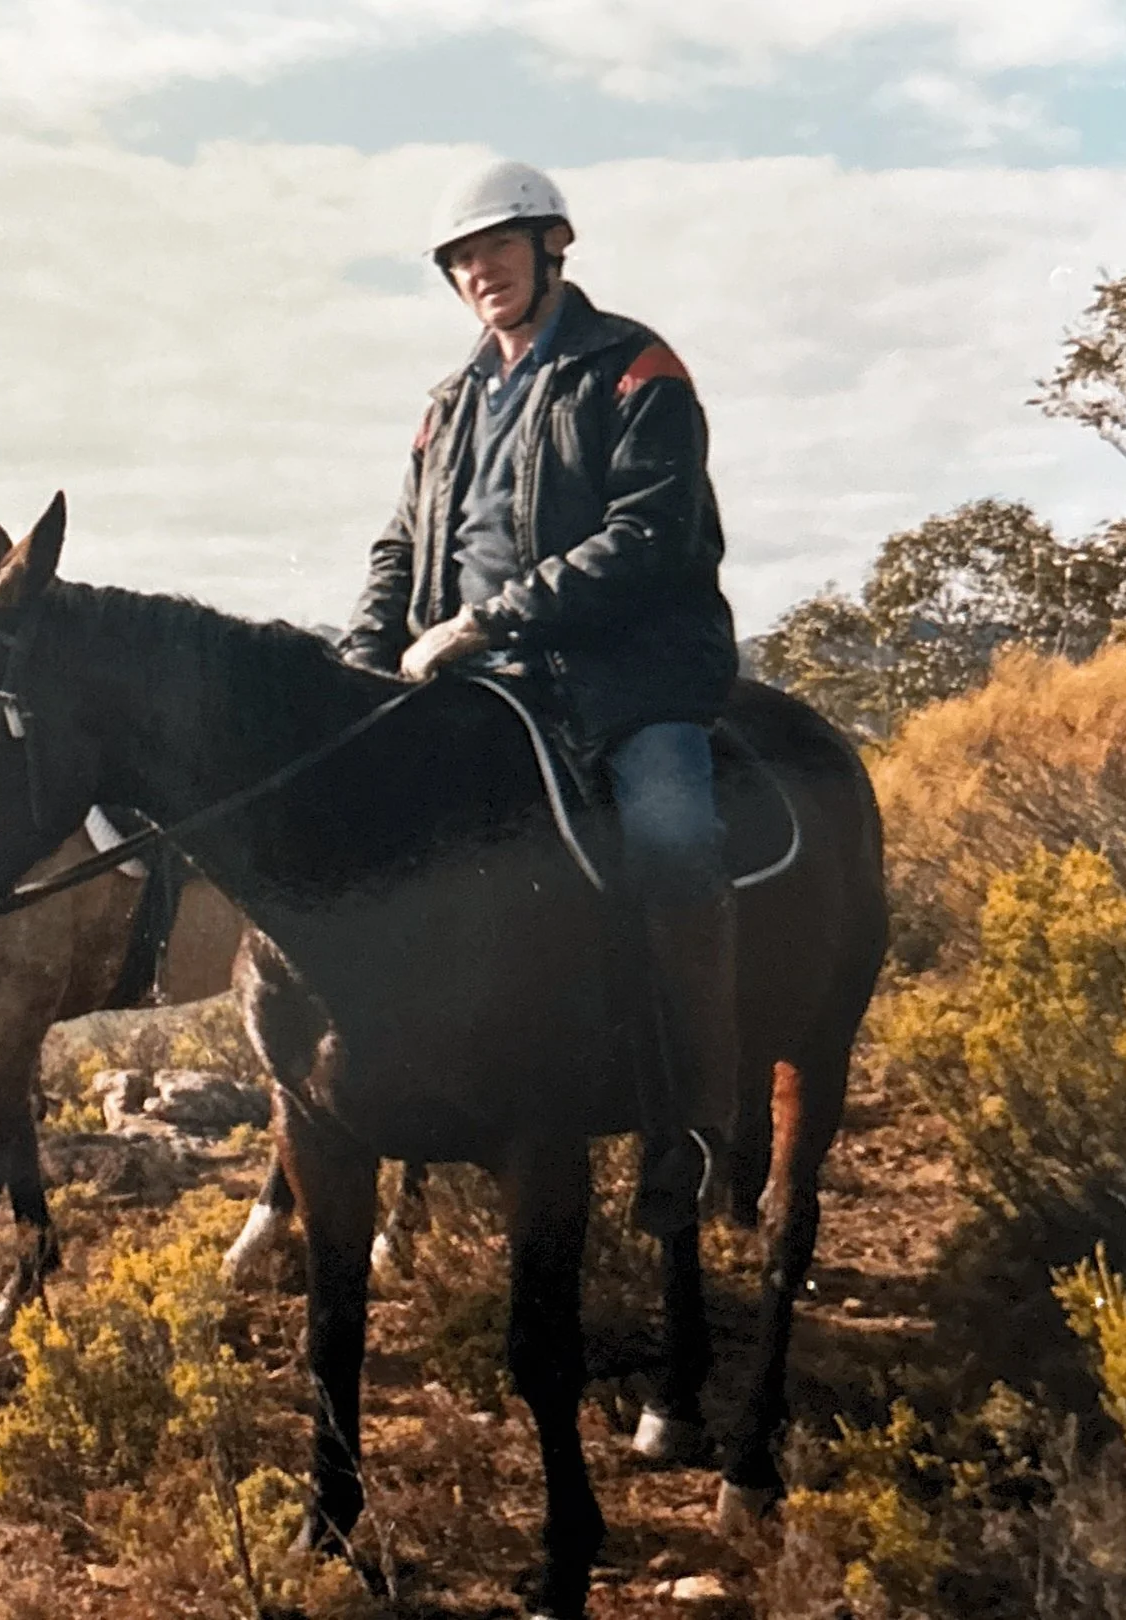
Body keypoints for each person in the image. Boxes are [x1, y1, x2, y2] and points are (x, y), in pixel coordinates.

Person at [337, 159, 741, 1235]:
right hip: (477, 681)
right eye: (462, 260)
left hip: (623, 677)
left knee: (672, 840)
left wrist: (488, 620)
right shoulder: (449, 404)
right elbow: (401, 544)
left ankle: (697, 1122)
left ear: (550, 245)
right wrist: (365, 653)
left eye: (498, 249)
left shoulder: (634, 367)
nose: (481, 272)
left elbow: (652, 537)